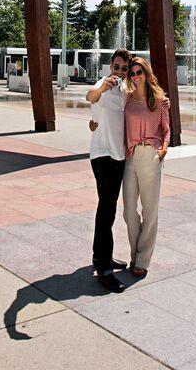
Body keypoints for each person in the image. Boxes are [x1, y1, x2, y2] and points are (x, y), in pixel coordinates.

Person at [86, 48, 131, 293]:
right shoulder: (103, 83)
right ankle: (104, 268)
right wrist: (102, 89)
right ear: (110, 66)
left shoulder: (125, 88)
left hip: (118, 156)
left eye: (124, 68)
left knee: (109, 209)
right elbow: (90, 96)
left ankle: (100, 256)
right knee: (106, 210)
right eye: (117, 67)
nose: (120, 72)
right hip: (103, 155)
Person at [122, 56, 170, 278]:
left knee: (150, 210)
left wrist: (164, 148)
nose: (135, 76)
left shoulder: (159, 101)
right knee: (129, 210)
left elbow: (166, 129)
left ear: (146, 73)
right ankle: (134, 253)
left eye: (139, 72)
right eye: (132, 73)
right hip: (130, 156)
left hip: (151, 153)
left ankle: (141, 259)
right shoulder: (127, 99)